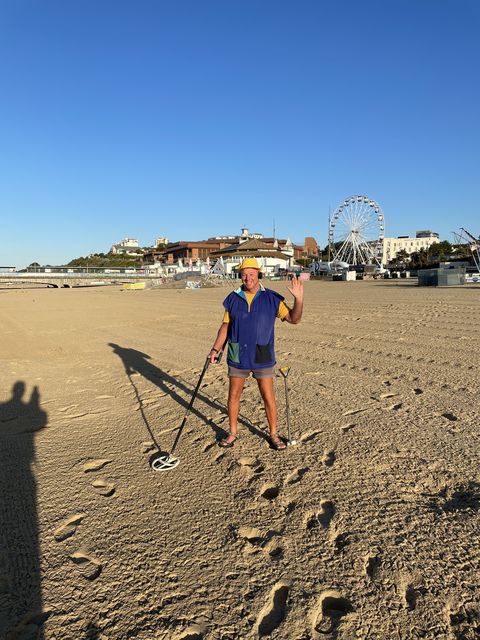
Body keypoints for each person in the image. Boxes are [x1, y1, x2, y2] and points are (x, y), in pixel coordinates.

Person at [209, 258, 304, 450]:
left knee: (268, 396)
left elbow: (294, 319)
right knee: (234, 395)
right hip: (238, 354)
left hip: (263, 355)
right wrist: (215, 348)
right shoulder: (233, 298)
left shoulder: (272, 298)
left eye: (251, 274)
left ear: (258, 275)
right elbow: (226, 326)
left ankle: (274, 434)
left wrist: (299, 299)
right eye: (244, 274)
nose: (247, 278)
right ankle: (233, 432)